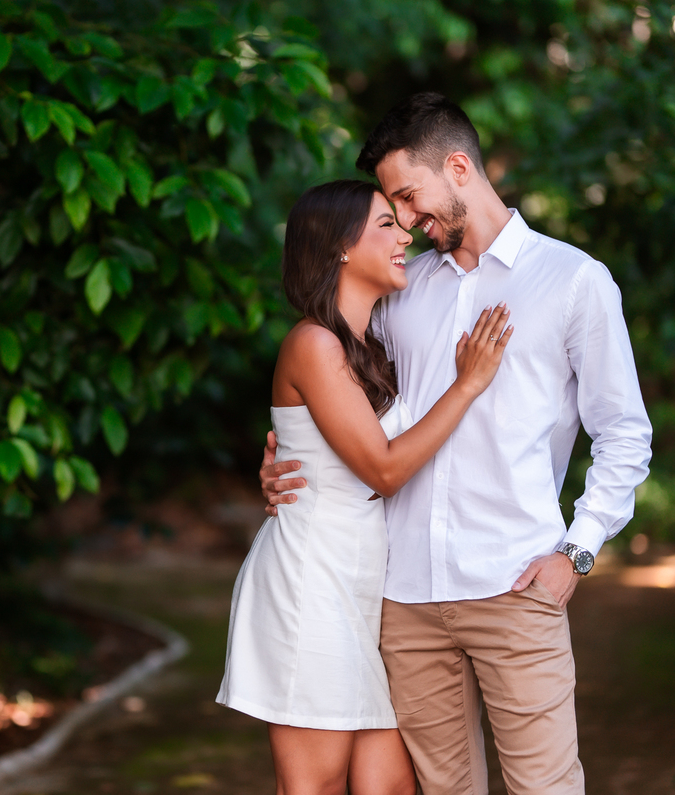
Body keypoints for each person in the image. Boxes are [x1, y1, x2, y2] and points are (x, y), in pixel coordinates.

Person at [260, 93, 653, 795]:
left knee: (545, 787)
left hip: (515, 583)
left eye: (409, 197)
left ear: (459, 166)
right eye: (393, 207)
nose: (407, 220)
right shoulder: (402, 292)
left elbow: (624, 434)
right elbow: (349, 399)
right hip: (403, 593)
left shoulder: (573, 281)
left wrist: (578, 551)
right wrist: (290, 458)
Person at [218, 178, 513, 795]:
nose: (404, 233)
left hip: (360, 592)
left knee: (390, 786)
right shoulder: (313, 343)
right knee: (314, 787)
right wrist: (467, 384)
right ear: (340, 248)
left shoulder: (369, 346)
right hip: (310, 584)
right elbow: (381, 468)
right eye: (385, 223)